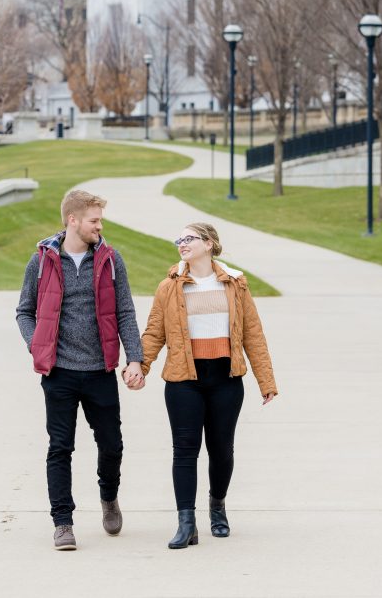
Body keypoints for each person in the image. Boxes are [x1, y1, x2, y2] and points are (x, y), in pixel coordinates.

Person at [16, 189, 145, 551]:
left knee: (112, 445)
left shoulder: (110, 260)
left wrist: (134, 359)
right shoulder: (40, 262)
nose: (99, 227)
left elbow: (125, 313)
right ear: (72, 220)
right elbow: (24, 311)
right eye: (94, 220)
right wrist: (35, 343)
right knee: (60, 447)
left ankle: (108, 498)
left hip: (100, 371)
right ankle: (63, 522)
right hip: (59, 374)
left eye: (100, 220)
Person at [140, 222, 277, 549]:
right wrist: (139, 366)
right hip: (183, 379)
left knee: (221, 450)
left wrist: (265, 380)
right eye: (179, 239)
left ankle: (217, 506)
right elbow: (154, 332)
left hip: (226, 380)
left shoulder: (235, 284)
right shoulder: (169, 287)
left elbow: (253, 334)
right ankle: (186, 522)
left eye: (188, 238)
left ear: (209, 243)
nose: (181, 244)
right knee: (184, 451)